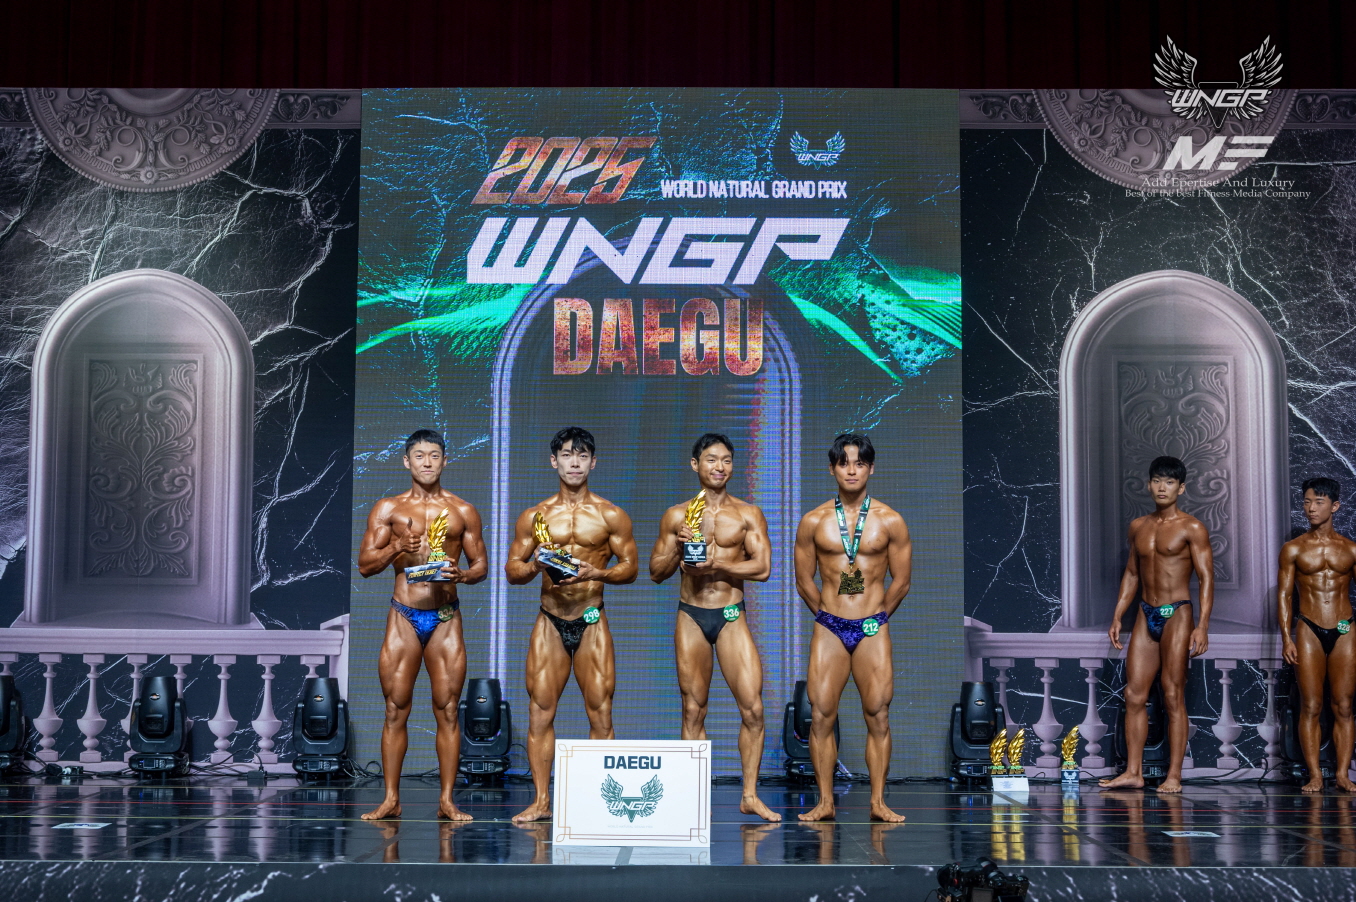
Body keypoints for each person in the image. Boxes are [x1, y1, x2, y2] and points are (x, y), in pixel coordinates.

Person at [505, 427, 638, 823]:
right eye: (567, 455)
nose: (574, 463)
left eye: (582, 456)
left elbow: (630, 568)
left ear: (593, 462)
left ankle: (601, 804)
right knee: (540, 713)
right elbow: (512, 570)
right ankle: (541, 802)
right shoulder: (535, 516)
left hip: (591, 618)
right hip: (550, 619)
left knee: (601, 714)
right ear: (554, 461)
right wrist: (535, 566)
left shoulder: (611, 515)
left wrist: (597, 572)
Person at [357, 429, 487, 820]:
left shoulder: (463, 511)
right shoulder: (389, 509)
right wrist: (398, 546)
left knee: (447, 709)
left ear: (445, 460)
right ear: (406, 461)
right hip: (404, 614)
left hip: (446, 616)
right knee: (395, 708)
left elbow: (481, 565)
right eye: (419, 455)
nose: (427, 462)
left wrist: (463, 575)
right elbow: (365, 566)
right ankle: (391, 799)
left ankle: (446, 800)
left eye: (434, 455)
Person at [650, 433, 780, 822]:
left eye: (726, 460)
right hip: (692, 615)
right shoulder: (677, 515)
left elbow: (763, 568)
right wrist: (677, 546)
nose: (719, 467)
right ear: (695, 465)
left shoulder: (748, 514)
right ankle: (693, 801)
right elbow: (656, 571)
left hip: (730, 615)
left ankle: (750, 796)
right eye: (711, 459)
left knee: (754, 709)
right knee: (693, 710)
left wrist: (717, 565)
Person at [793, 433, 911, 822]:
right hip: (830, 626)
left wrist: (878, 618)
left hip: (871, 627)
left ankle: (878, 802)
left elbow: (902, 581)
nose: (852, 470)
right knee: (821, 714)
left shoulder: (890, 520)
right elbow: (804, 580)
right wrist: (827, 616)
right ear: (832, 469)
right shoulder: (813, 521)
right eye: (844, 463)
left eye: (859, 463)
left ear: (871, 468)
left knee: (878, 713)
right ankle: (825, 802)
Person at [1100, 455, 1213, 793]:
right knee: (1134, 694)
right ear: (1148, 485)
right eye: (1157, 481)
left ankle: (1174, 775)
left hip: (1177, 612)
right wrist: (1118, 613)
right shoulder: (1138, 526)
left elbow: (1206, 578)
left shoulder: (1192, 528)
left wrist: (1202, 626)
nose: (1162, 487)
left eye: (1170, 482)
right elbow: (1132, 573)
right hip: (1145, 612)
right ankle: (1133, 772)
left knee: (1172, 693)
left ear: (1181, 488)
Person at [1277, 477, 1356, 792]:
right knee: (1310, 705)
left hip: (1344, 627)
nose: (1311, 508)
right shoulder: (1294, 548)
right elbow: (1284, 596)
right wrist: (1286, 638)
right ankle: (1314, 775)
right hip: (1308, 626)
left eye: (1318, 502)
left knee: (1344, 705)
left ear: (1334, 506)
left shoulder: (1351, 549)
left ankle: (1342, 774)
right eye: (1307, 501)